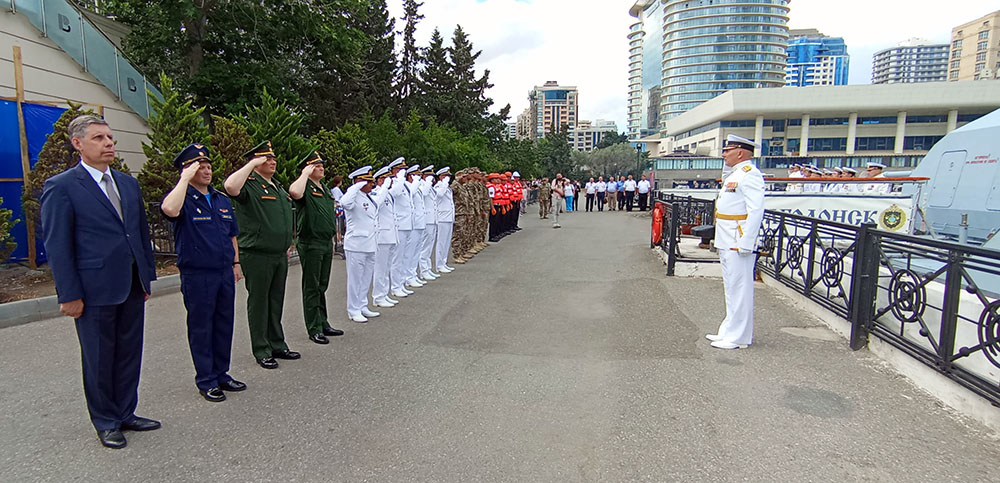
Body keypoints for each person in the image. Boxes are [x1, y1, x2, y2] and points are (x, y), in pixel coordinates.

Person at [41, 114, 159, 448]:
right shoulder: (62, 186)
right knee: (98, 356)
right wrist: (69, 294)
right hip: (93, 289)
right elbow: (58, 245)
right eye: (99, 138)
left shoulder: (127, 183)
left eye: (109, 137)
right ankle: (105, 421)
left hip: (131, 283)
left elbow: (139, 233)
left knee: (128, 352)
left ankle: (125, 412)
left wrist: (146, 278)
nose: (108, 143)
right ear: (77, 143)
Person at [160, 143, 246, 403]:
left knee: (223, 323)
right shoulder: (182, 196)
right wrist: (184, 179)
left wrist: (236, 263)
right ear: (187, 170)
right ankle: (206, 379)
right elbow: (169, 210)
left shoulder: (220, 198)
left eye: (209, 166)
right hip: (198, 274)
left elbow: (231, 234)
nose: (207, 171)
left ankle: (222, 373)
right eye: (200, 167)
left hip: (223, 271)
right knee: (201, 327)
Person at [224, 141, 299, 369]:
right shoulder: (249, 184)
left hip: (278, 253)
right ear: (255, 162)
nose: (273, 161)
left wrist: (285, 243)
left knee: (275, 300)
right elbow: (230, 187)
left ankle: (277, 343)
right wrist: (252, 164)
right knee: (259, 302)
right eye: (267, 158)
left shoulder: (276, 186)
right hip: (257, 253)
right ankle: (261, 348)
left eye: (274, 158)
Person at [707, 134, 765, 350]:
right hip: (726, 236)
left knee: (740, 287)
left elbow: (756, 209)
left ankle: (739, 337)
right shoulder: (736, 174)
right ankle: (729, 330)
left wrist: (746, 241)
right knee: (731, 287)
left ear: (740, 152)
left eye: (727, 150)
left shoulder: (750, 175)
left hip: (737, 238)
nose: (724, 154)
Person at [288, 150, 345, 344]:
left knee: (322, 285)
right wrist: (304, 174)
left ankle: (323, 322)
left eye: (321, 165)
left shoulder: (325, 189)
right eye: (316, 165)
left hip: (324, 242)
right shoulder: (305, 187)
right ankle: (313, 327)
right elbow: (294, 192)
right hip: (310, 242)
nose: (321, 168)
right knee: (311, 286)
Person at [340, 166, 382, 322]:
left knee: (366, 277)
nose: (372, 184)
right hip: (356, 244)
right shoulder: (352, 197)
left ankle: (363, 305)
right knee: (355, 279)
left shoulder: (368, 197)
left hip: (370, 243)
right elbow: (344, 202)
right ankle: (353, 309)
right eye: (368, 181)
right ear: (359, 181)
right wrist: (356, 185)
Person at [371, 165, 398, 308]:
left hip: (391, 234)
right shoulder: (376, 193)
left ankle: (384, 294)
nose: (391, 181)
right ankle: (377, 296)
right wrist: (384, 187)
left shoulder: (387, 193)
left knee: (387, 267)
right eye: (388, 179)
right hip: (382, 236)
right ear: (380, 180)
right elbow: (377, 204)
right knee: (380, 268)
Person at [405, 164, 427, 287]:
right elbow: (410, 194)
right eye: (416, 175)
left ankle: (413, 274)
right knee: (410, 252)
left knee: (416, 251)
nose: (419, 177)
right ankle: (408, 276)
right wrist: (416, 183)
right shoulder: (408, 186)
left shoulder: (417, 186)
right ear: (410, 176)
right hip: (412, 223)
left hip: (419, 221)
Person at [418, 165, 439, 281]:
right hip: (426, 219)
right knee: (424, 247)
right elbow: (424, 194)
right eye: (430, 176)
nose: (432, 178)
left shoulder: (429, 186)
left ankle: (428, 269)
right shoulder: (422, 185)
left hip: (433, 219)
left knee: (430, 245)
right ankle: (423, 270)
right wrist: (428, 182)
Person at [434, 166, 456, 273]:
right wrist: (444, 183)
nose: (448, 178)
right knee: (441, 242)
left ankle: (444, 262)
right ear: (441, 177)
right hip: (442, 218)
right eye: (446, 176)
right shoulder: (438, 187)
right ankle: (439, 265)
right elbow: (439, 195)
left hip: (448, 217)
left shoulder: (447, 187)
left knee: (447, 242)